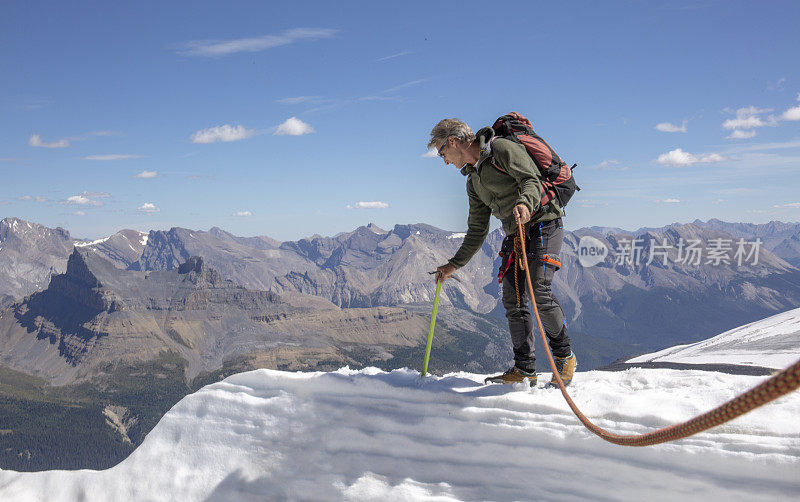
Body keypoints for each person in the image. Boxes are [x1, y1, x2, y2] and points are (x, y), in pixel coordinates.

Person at [430, 118, 576, 387]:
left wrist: (523, 203)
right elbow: (477, 231)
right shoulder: (473, 182)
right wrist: (452, 266)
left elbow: (531, 180)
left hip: (544, 222)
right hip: (515, 233)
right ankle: (524, 370)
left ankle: (564, 358)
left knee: (538, 290)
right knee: (513, 298)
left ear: (453, 141)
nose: (444, 160)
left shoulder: (503, 149)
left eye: (442, 152)